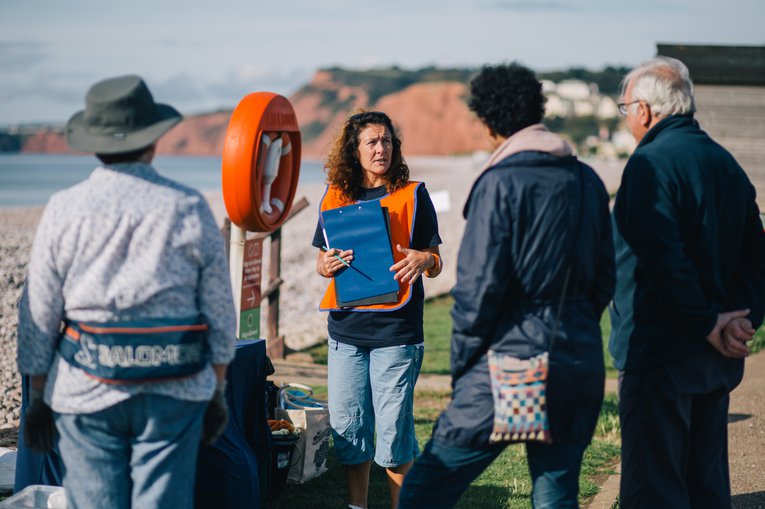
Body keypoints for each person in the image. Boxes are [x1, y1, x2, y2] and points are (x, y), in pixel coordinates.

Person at [398, 63, 615, 509]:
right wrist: (571, 323)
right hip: (579, 360)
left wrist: (463, 368)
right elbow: (605, 278)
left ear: (490, 121)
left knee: (426, 487)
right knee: (556, 495)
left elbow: (477, 293)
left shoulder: (497, 184)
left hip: (510, 367)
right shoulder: (588, 181)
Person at [17, 75, 236, 509]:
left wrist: (39, 396)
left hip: (85, 384)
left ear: (94, 144)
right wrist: (216, 390)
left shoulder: (65, 207)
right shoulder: (188, 206)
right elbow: (220, 312)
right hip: (174, 385)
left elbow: (38, 311)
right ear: (153, 142)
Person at [609, 57, 765, 508]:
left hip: (660, 352)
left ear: (644, 110)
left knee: (654, 487)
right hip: (715, 359)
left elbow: (661, 260)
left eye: (625, 110)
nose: (627, 121)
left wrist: (706, 321)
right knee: (707, 485)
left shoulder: (648, 166)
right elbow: (757, 257)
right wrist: (743, 320)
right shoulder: (725, 163)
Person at [312, 110, 442, 509]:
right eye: (371, 142)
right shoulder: (335, 196)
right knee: (349, 429)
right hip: (346, 333)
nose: (380, 148)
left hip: (396, 334)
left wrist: (423, 260)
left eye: (386, 141)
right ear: (354, 150)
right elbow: (321, 262)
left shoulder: (414, 193)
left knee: (393, 433)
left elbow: (436, 261)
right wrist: (327, 265)